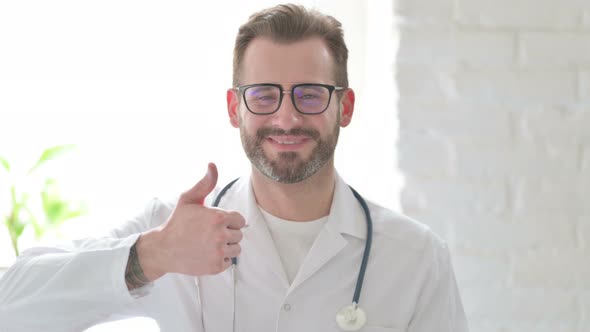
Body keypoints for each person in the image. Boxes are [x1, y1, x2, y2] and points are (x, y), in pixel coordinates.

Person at [0, 4, 468, 332]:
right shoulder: (171, 232)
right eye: (264, 94)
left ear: (344, 107)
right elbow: (9, 308)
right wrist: (152, 256)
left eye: (309, 94)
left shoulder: (416, 258)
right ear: (234, 108)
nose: (286, 117)